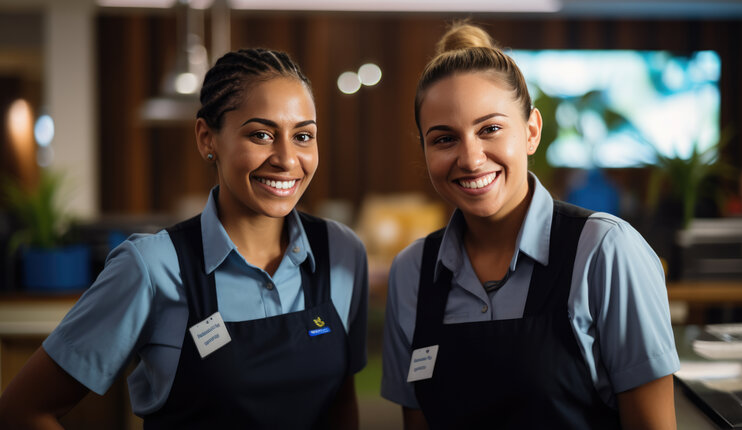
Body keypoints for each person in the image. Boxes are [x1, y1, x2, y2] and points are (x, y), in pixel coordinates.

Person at [0, 48, 368, 429]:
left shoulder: (342, 252)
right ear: (207, 138)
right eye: (261, 134)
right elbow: (21, 410)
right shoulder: (152, 268)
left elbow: (341, 406)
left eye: (303, 136)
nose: (287, 159)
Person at [380, 22, 679, 430]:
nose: (470, 159)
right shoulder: (411, 272)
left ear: (532, 131)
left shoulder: (605, 250)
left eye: (490, 129)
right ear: (425, 150)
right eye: (444, 139)